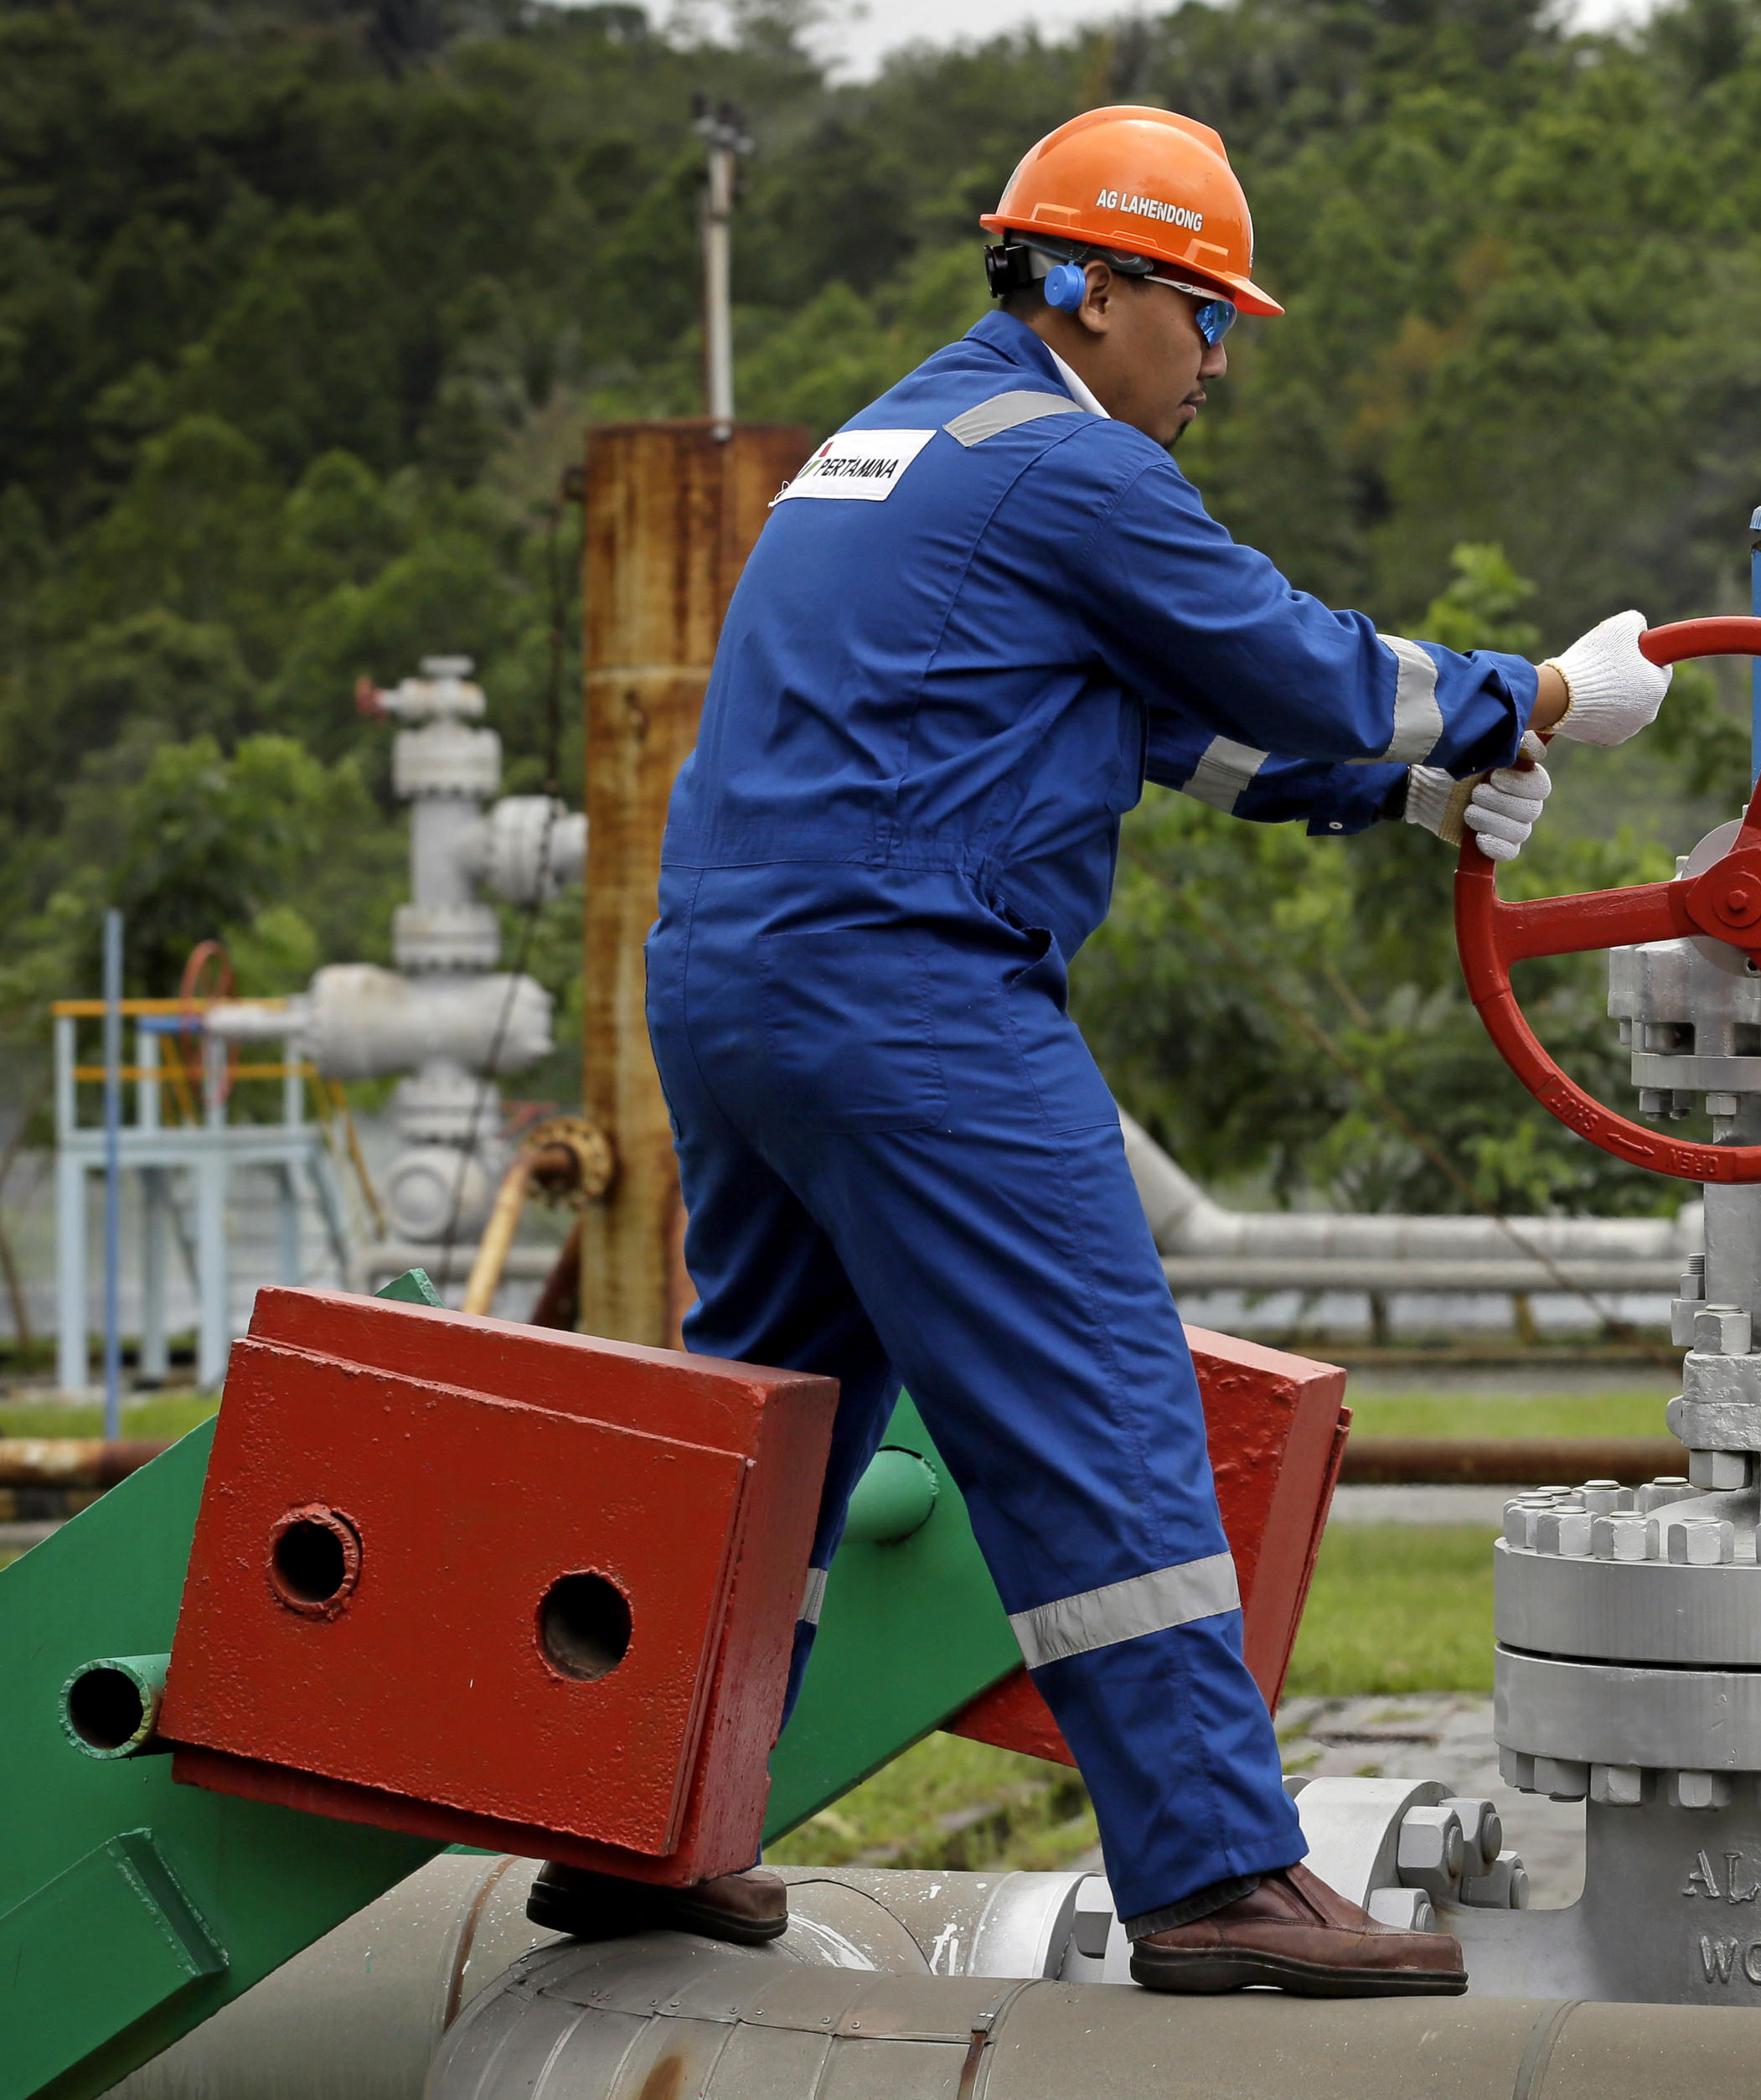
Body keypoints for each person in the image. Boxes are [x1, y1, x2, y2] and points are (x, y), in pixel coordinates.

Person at [523, 105, 1668, 1995]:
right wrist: (1534, 698)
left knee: (770, 1433)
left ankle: (643, 1827)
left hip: (736, 992)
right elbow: (1294, 662)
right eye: (1203, 313)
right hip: (910, 993)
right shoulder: (1071, 468)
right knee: (1101, 1401)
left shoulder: (894, 444)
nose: (1218, 360)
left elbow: (1152, 721)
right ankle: (1216, 1873)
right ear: (1089, 283)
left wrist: (1392, 802)